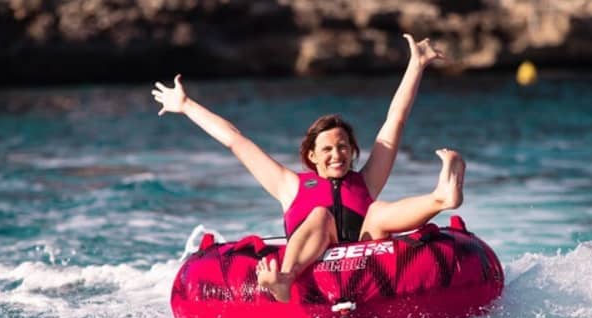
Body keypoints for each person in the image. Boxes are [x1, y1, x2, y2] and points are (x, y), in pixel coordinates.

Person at [152, 34, 465, 303]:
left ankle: (441, 198)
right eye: (327, 149)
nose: (336, 154)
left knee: (378, 211)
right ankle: (285, 279)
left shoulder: (365, 180)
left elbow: (395, 119)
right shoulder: (290, 186)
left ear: (353, 151)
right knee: (320, 215)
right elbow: (236, 140)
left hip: (369, 272)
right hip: (314, 272)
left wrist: (416, 65)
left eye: (343, 147)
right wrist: (186, 106)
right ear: (312, 156)